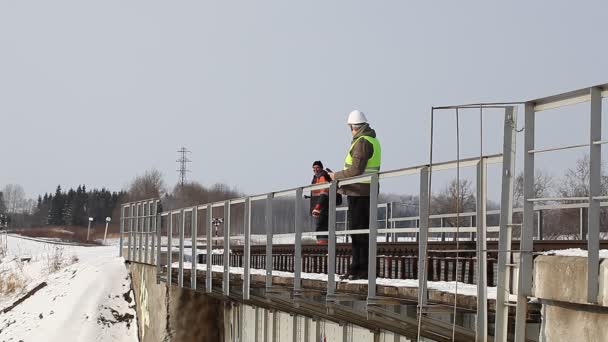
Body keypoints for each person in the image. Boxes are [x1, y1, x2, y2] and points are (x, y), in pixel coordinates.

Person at [328, 110, 381, 280]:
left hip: (360, 192)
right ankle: (358, 268)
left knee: (359, 232)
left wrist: (335, 176)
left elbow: (355, 170)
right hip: (362, 192)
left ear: (353, 127)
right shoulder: (370, 140)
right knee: (359, 231)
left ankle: (361, 268)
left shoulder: (362, 142)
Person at [310, 161, 331, 245]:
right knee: (321, 225)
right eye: (314, 168)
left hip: (322, 206)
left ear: (321, 168)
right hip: (319, 205)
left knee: (321, 225)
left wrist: (318, 207)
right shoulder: (316, 177)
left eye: (317, 167)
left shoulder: (321, 176)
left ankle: (323, 246)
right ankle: (322, 245)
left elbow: (324, 192)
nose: (315, 169)